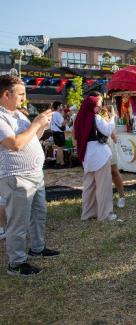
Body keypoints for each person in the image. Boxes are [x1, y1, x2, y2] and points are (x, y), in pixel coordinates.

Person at [0, 75, 60, 276]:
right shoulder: (1, 117)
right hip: (16, 177)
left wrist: (41, 125)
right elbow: (14, 144)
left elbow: (32, 138)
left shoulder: (17, 114)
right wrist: (36, 123)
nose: (24, 99)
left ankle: (37, 247)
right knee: (18, 222)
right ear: (6, 94)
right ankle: (16, 263)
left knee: (38, 214)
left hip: (34, 175)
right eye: (21, 94)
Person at [74, 94, 118, 221]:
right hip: (99, 155)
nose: (99, 108)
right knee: (103, 186)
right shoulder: (95, 118)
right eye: (98, 105)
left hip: (86, 155)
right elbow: (108, 130)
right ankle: (105, 214)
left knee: (89, 186)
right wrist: (112, 117)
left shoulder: (79, 118)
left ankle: (88, 213)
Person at [102, 105, 126, 209]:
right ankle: (104, 199)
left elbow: (112, 133)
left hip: (108, 145)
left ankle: (121, 196)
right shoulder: (90, 114)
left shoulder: (105, 112)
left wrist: (114, 138)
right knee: (101, 174)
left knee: (114, 171)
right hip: (97, 147)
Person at [50, 101, 67, 167]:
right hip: (59, 133)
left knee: (58, 148)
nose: (62, 107)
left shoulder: (53, 113)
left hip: (54, 132)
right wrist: (66, 119)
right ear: (58, 107)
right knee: (60, 148)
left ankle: (57, 162)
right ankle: (62, 163)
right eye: (61, 106)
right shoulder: (58, 114)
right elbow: (62, 123)